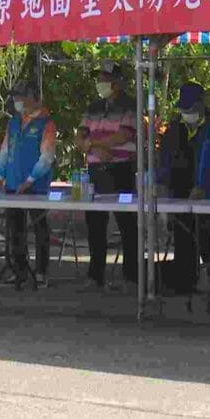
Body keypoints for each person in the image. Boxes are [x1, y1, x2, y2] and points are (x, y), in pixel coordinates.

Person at [157, 83, 210, 295]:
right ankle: (186, 281)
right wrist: (160, 184)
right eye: (183, 109)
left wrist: (202, 186)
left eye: (190, 109)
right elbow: (165, 160)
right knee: (183, 238)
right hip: (179, 195)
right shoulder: (175, 129)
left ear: (201, 104)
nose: (186, 113)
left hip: (208, 195)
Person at [76, 61, 139, 291]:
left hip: (121, 169)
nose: (100, 82)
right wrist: (94, 147)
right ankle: (95, 276)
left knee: (127, 225)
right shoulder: (93, 107)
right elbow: (79, 138)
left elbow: (122, 137)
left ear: (118, 82)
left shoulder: (130, 105)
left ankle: (131, 277)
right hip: (96, 171)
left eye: (105, 78)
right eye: (99, 78)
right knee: (95, 225)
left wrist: (93, 144)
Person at [0, 81, 57, 288]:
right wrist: (0, 176)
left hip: (36, 186)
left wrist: (30, 180)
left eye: (20, 96)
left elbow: (47, 157)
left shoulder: (46, 122)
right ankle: (19, 270)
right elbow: (5, 149)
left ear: (33, 97)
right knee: (15, 229)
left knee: (40, 228)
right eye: (15, 97)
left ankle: (41, 272)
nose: (16, 100)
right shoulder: (13, 121)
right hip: (13, 184)